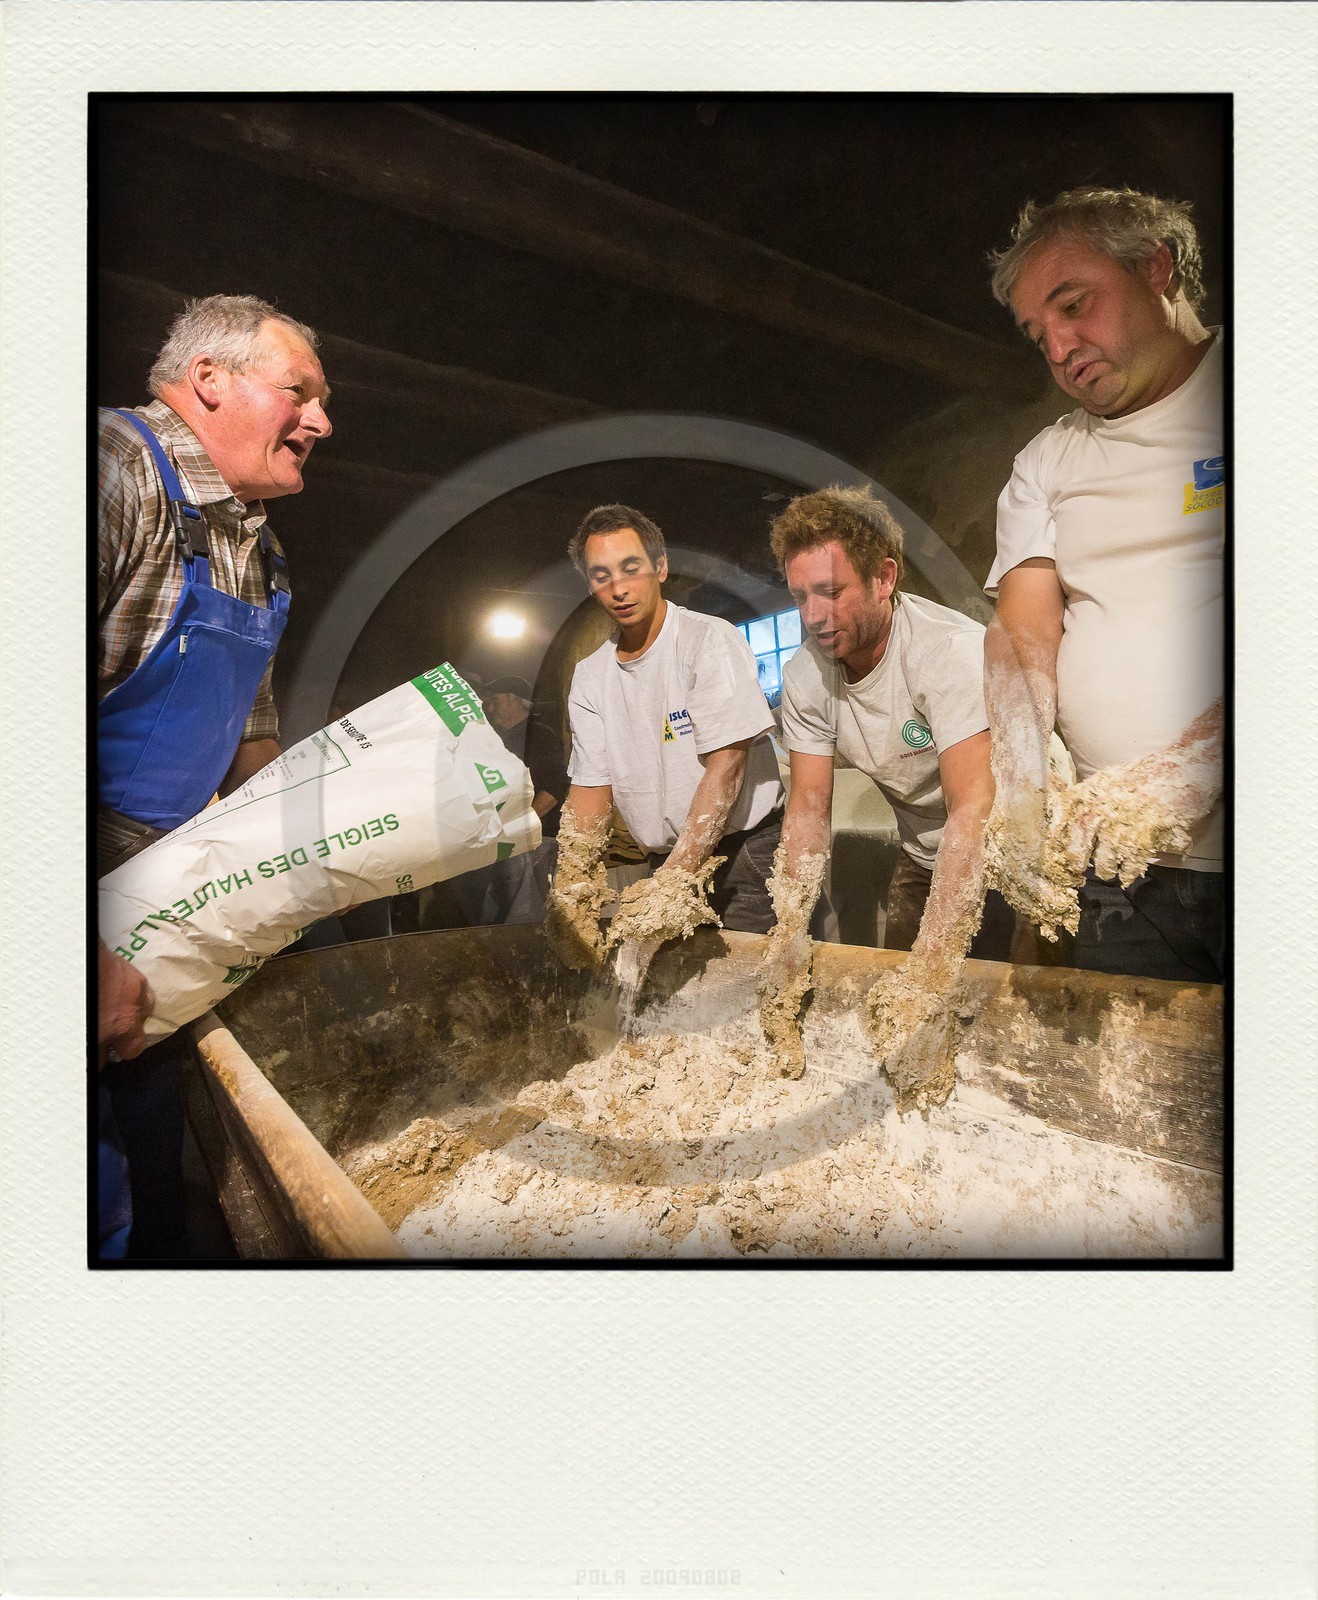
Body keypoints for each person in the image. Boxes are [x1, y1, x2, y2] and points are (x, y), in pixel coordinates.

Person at [96, 293, 332, 1256]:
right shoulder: (112, 470)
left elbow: (252, 741)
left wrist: (308, 857)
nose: (322, 422)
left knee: (156, 1165)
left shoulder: (259, 550)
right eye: (300, 392)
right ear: (208, 380)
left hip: (158, 903)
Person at [983, 187, 1224, 982]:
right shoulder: (1047, 462)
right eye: (1037, 334)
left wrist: (1199, 762)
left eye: (1073, 305)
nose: (1058, 347)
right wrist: (1027, 779)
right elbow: (1023, 636)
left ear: (1156, 268)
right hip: (1120, 870)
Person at [756, 485, 1015, 1090]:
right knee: (899, 986)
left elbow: (974, 808)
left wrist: (932, 969)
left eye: (831, 591)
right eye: (799, 596)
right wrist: (789, 930)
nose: (812, 616)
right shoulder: (806, 676)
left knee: (1003, 1012)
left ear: (884, 578)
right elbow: (808, 807)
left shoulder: (945, 653)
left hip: (1011, 849)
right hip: (924, 850)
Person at [545, 503, 784, 972]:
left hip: (745, 856)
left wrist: (676, 878)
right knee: (673, 992)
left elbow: (727, 765)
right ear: (589, 584)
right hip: (666, 856)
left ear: (660, 567)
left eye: (630, 568)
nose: (618, 588)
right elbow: (591, 788)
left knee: (746, 988)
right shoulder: (591, 676)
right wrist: (574, 882)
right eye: (601, 576)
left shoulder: (706, 640)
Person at [454, 674, 569, 925]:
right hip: (507, 844)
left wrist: (521, 825)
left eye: (496, 701)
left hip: (534, 844)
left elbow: (555, 786)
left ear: (516, 701)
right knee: (500, 914)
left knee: (525, 918)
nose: (490, 708)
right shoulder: (500, 740)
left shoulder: (539, 736)